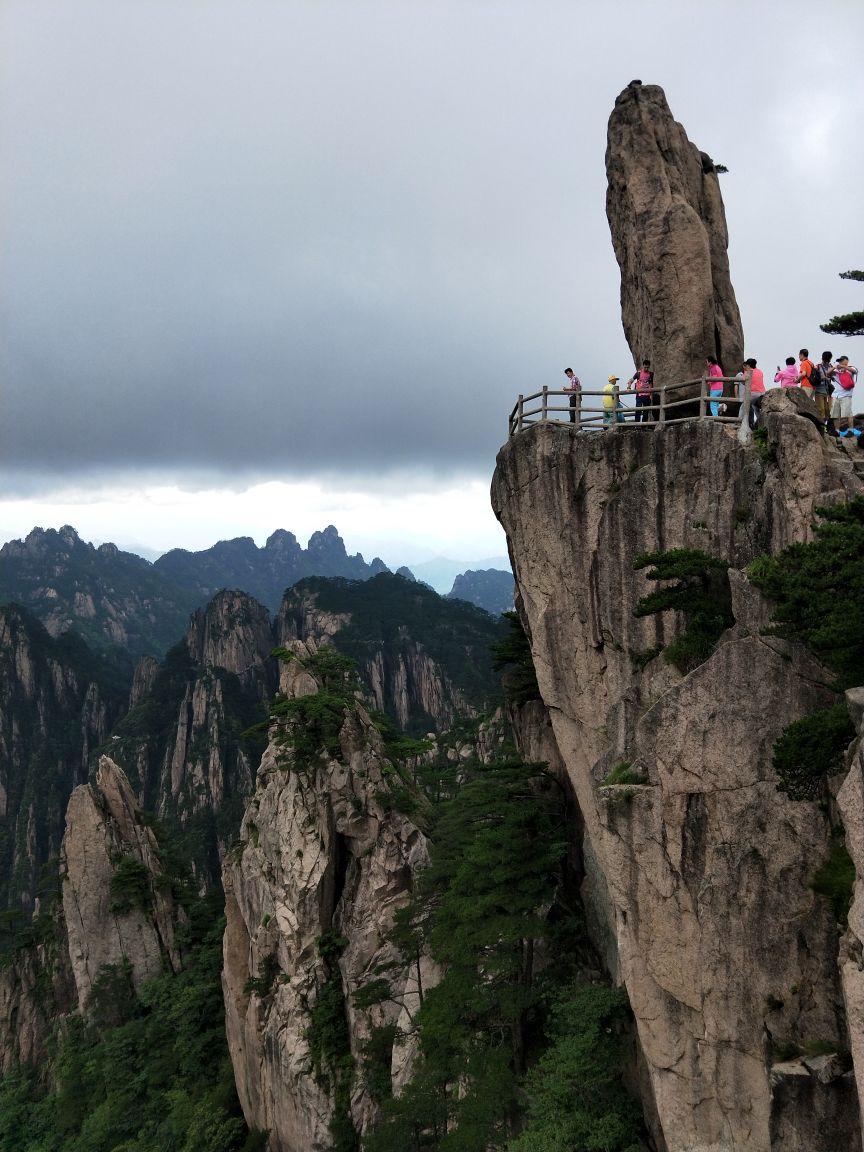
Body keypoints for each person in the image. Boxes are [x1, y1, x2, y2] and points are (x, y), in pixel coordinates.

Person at [833, 355, 858, 435]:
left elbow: (855, 371)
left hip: (846, 395)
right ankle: (837, 431)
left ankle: (850, 430)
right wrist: (835, 367)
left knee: (848, 414)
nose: (840, 362)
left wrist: (843, 366)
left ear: (846, 360)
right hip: (836, 395)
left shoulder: (851, 368)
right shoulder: (837, 370)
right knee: (835, 414)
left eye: (842, 360)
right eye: (839, 361)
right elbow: (828, 373)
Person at [812, 351, 835, 428]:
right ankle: (821, 427)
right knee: (820, 410)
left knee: (828, 410)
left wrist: (832, 377)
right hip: (819, 391)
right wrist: (823, 378)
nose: (827, 361)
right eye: (827, 359)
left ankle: (826, 426)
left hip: (828, 392)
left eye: (828, 359)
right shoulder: (817, 367)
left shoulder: (831, 366)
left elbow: (834, 378)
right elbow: (814, 378)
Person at [742, 358, 765, 426]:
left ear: (748, 365)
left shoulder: (748, 372)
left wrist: (745, 370)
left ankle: (740, 422)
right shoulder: (760, 371)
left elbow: (743, 382)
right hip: (762, 393)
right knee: (756, 408)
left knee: (744, 406)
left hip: (753, 393)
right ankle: (761, 424)